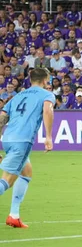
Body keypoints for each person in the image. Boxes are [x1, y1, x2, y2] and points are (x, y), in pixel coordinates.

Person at [0, 68, 55, 228]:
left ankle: (14, 215)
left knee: (26, 172)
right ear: (45, 80)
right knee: (7, 181)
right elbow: (47, 110)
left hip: (8, 139)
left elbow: (2, 117)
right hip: (22, 141)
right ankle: (13, 215)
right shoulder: (46, 95)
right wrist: (48, 137)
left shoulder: (18, 96)